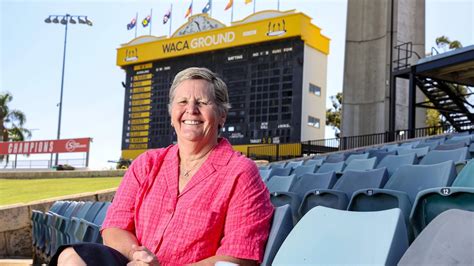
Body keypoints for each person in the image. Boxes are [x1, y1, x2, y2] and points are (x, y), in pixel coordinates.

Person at [53, 67, 274, 265]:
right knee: (70, 257)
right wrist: (137, 255)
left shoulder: (240, 173)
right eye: (182, 102)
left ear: (221, 116)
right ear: (171, 114)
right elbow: (114, 226)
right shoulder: (146, 163)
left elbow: (239, 256)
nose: (191, 110)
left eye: (203, 102)